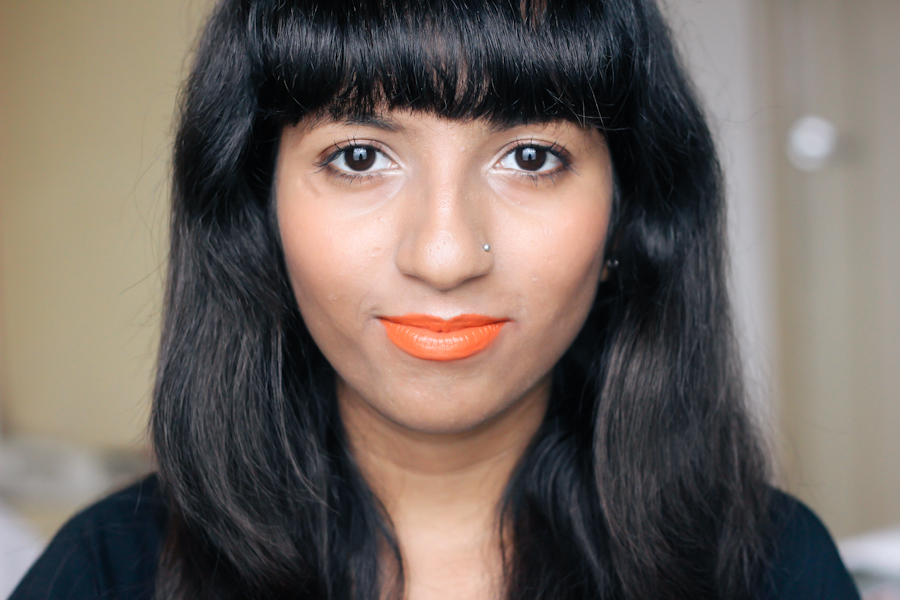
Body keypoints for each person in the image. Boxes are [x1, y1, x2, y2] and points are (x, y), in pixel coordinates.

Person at [11, 0, 860, 599]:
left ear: (627, 215)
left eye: (530, 157)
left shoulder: (774, 569)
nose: (446, 255)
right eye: (358, 157)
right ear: (258, 211)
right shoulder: (107, 574)